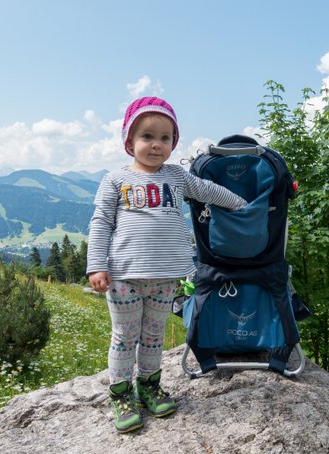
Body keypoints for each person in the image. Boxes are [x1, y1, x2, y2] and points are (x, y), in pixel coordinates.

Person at [86, 96, 247, 433]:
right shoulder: (115, 179)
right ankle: (120, 393)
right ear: (129, 142)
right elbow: (101, 222)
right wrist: (96, 265)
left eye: (165, 138)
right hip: (124, 277)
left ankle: (149, 385)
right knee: (124, 337)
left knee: (154, 335)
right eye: (147, 136)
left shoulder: (177, 176)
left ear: (174, 143)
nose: (156, 145)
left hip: (166, 278)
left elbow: (207, 190)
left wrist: (243, 206)